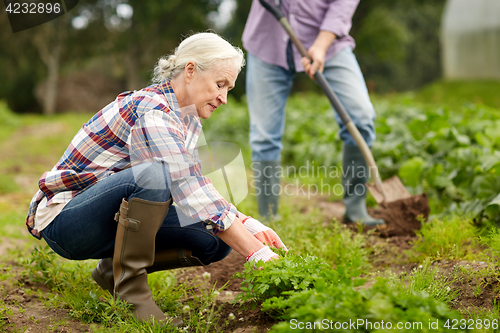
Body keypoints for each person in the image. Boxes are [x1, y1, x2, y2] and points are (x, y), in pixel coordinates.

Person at [25, 32, 287, 326]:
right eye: (220, 84)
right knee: (156, 174)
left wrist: (248, 225)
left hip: (108, 218)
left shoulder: (187, 117)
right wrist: (256, 252)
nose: (224, 98)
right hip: (67, 222)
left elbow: (196, 184)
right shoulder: (154, 110)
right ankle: (133, 296)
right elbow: (186, 186)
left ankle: (113, 271)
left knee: (216, 239)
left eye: (228, 88)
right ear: (190, 70)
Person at [242, 0, 385, 225]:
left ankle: (356, 210)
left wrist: (321, 44)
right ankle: (268, 217)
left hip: (329, 44)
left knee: (360, 117)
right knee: (264, 134)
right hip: (267, 43)